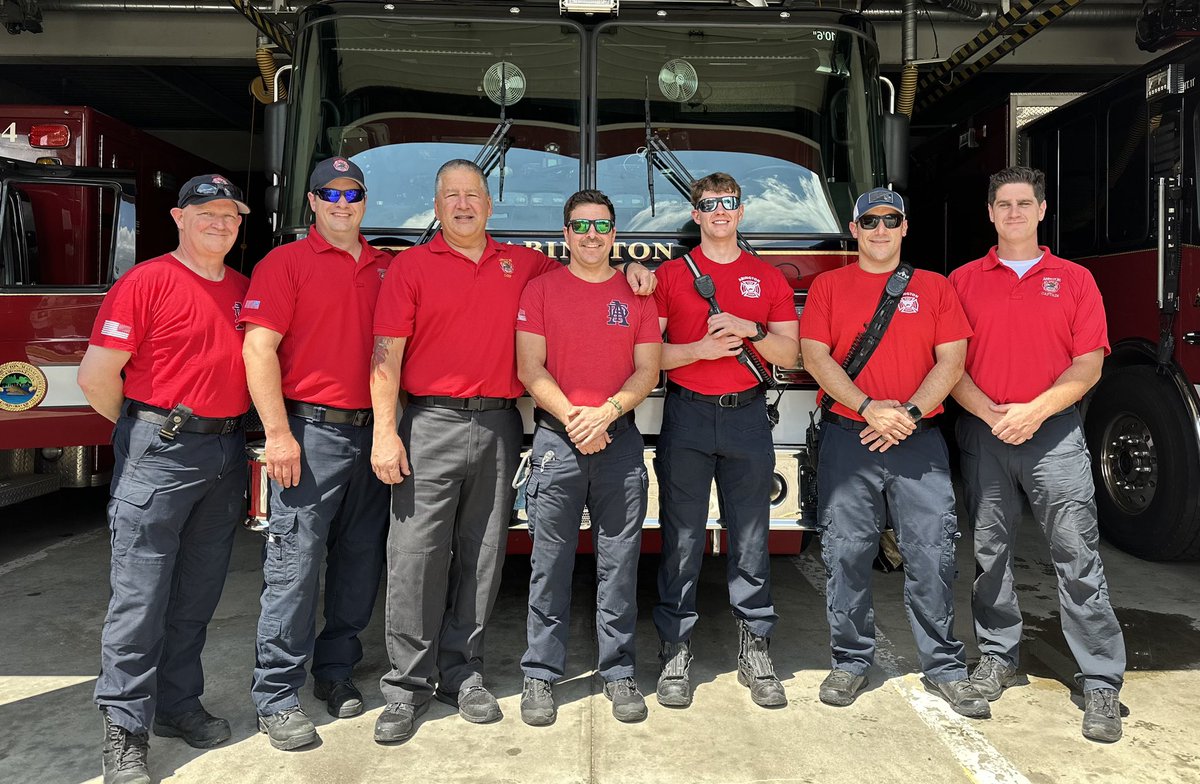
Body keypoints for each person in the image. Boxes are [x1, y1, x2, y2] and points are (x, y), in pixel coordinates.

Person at [369, 159, 655, 743]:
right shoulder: (410, 267)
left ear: (490, 207)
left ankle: (464, 675)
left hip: (500, 424)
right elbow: (386, 354)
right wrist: (384, 429)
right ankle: (406, 687)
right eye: (452, 196)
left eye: (473, 195)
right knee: (416, 558)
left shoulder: (523, 265)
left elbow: (591, 269)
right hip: (430, 422)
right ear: (437, 204)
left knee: (482, 556)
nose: (464, 205)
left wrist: (634, 268)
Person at [78, 175, 251, 784]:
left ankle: (178, 705)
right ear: (179, 217)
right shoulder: (146, 281)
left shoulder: (241, 289)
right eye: (207, 212)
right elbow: (98, 377)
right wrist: (143, 429)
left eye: (230, 214)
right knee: (140, 597)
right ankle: (125, 728)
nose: (220, 223)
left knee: (197, 594)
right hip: (164, 449)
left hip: (225, 452)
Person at [950, 166, 1126, 742]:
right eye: (1004, 204)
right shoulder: (962, 281)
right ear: (991, 213)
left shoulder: (1074, 280)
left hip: (1052, 437)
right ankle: (998, 657)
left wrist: (1035, 411)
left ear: (1042, 210)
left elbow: (1088, 364)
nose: (1015, 212)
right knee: (989, 551)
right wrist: (990, 412)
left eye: (1025, 203)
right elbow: (949, 364)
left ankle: (1100, 679)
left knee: (1076, 555)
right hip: (985, 431)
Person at [800, 187, 989, 718]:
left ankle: (945, 666)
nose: (880, 229)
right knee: (846, 552)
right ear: (855, 229)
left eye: (891, 219)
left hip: (918, 438)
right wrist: (867, 407)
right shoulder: (827, 287)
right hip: (848, 435)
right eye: (870, 220)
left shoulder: (935, 288)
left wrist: (904, 415)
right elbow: (814, 357)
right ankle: (850, 661)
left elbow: (951, 361)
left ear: (905, 227)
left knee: (932, 553)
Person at [242, 157, 392, 751]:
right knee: (294, 567)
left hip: (375, 434)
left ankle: (335, 673)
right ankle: (276, 694)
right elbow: (259, 351)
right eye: (329, 193)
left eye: (352, 193)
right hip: (309, 435)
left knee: (359, 562)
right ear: (311, 202)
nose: (342, 203)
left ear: (363, 202)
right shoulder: (284, 264)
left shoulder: (387, 267)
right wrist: (278, 435)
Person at [652, 172, 799, 709]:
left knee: (752, 538)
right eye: (709, 204)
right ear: (696, 214)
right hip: (687, 416)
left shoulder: (769, 277)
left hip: (747, 419)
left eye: (728, 203)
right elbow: (649, 360)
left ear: (741, 212)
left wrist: (752, 329)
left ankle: (756, 647)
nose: (719, 211)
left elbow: (791, 354)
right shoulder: (669, 276)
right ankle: (675, 649)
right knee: (682, 541)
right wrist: (700, 352)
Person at [515, 190, 662, 725]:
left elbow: (648, 369)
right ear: (565, 234)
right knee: (548, 564)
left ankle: (618, 672)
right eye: (580, 226)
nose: (591, 235)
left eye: (601, 225)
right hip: (558, 440)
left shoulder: (637, 293)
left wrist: (607, 413)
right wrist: (579, 420)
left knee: (619, 563)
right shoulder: (541, 289)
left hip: (619, 439)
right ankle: (540, 675)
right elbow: (530, 369)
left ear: (615, 234)